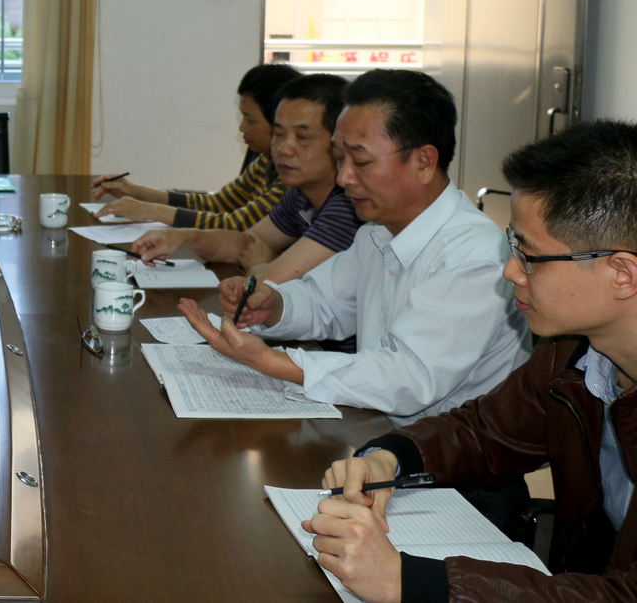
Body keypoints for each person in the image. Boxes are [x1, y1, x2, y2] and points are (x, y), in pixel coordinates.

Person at [309, 121, 637, 603]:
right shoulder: (572, 355)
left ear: (621, 274)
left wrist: (409, 581)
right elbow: (484, 431)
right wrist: (388, 458)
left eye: (529, 256)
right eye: (512, 247)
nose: (510, 271)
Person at [180, 69, 530, 424]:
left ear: (423, 162)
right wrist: (274, 306)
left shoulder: (474, 257)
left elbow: (407, 378)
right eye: (339, 158)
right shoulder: (377, 233)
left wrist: (271, 361)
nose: (344, 177)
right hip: (381, 432)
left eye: (361, 161)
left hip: (449, 453)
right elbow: (324, 303)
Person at [132, 73, 360, 284]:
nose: (284, 148)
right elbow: (246, 242)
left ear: (339, 142)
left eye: (302, 137)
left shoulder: (348, 206)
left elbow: (269, 280)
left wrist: (263, 265)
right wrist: (182, 238)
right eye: (279, 134)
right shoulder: (299, 195)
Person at [92, 62, 301, 228]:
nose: (242, 127)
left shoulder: (295, 175)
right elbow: (219, 203)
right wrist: (137, 192)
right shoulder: (266, 159)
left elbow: (238, 224)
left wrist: (152, 211)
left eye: (250, 119)